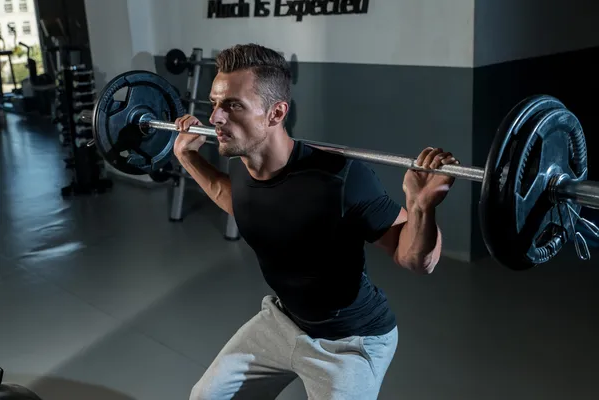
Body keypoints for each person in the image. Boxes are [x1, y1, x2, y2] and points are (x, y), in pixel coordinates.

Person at [173, 43, 458, 400]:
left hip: (351, 341)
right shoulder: (242, 166)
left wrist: (421, 208)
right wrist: (187, 157)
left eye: (232, 105)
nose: (215, 117)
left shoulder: (341, 179)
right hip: (283, 320)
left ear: (276, 114)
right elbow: (235, 199)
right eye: (215, 103)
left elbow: (417, 260)